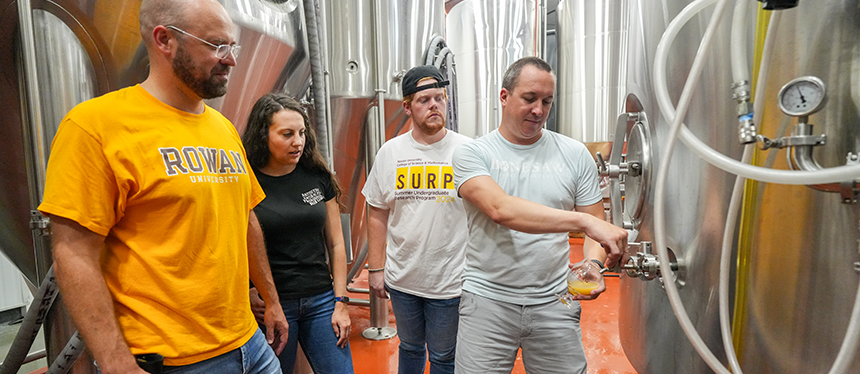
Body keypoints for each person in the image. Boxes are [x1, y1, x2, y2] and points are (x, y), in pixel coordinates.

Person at [38, 0, 289, 373]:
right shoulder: (95, 126)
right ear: (165, 40)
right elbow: (73, 253)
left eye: (232, 47)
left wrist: (271, 299)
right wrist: (114, 361)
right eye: (217, 45)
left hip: (249, 344)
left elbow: (245, 216)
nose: (231, 59)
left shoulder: (221, 128)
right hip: (173, 361)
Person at [451, 56, 628, 374]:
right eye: (529, 99)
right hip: (488, 301)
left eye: (547, 101)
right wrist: (582, 221)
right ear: (504, 97)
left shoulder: (573, 154)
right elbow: (500, 209)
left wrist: (593, 263)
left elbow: (595, 230)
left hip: (556, 300)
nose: (539, 110)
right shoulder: (473, 153)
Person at [362, 65, 472, 374]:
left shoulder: (467, 151)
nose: (434, 105)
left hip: (450, 282)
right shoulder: (391, 152)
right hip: (403, 280)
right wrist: (375, 267)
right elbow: (377, 210)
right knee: (410, 348)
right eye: (424, 100)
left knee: (442, 356)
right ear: (408, 107)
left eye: (439, 98)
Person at [242, 93, 355, 374]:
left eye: (302, 132)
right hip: (273, 306)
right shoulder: (245, 181)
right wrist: (249, 291)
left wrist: (340, 302)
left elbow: (336, 243)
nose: (298, 142)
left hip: (321, 301)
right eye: (287, 134)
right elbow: (233, 242)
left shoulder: (316, 177)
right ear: (262, 135)